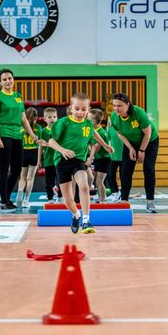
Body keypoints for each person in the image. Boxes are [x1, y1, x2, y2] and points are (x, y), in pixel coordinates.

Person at [47, 93, 113, 234]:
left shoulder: (88, 123)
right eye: (77, 109)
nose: (80, 112)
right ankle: (76, 215)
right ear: (71, 108)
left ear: (88, 109)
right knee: (68, 201)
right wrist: (63, 150)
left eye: (84, 109)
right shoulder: (63, 123)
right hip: (62, 161)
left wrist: (105, 145)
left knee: (84, 186)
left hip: (78, 160)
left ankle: (86, 220)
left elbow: (93, 133)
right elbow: (51, 141)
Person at [0, 69, 39, 212]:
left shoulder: (18, 96)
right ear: (0, 82)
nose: (8, 81)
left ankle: (6, 197)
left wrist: (32, 134)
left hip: (17, 135)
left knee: (17, 169)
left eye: (10, 78)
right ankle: (4, 201)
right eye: (4, 79)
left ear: (13, 79)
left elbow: (23, 118)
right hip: (3, 134)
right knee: (4, 169)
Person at [110, 93, 159, 213]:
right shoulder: (114, 116)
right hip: (131, 142)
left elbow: (148, 133)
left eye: (120, 106)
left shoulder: (138, 113)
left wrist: (141, 150)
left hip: (149, 141)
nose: (116, 108)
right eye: (114, 105)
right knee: (125, 171)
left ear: (128, 105)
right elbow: (120, 134)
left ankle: (150, 202)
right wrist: (130, 148)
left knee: (148, 170)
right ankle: (124, 200)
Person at [17, 107, 42, 208]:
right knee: (30, 179)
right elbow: (40, 144)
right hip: (34, 152)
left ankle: (20, 190)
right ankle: (26, 200)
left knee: (22, 177)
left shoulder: (21, 128)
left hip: (24, 152)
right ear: (36, 117)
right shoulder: (38, 128)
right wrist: (39, 160)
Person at [89, 109, 111, 203]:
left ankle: (102, 200)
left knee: (99, 181)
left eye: (88, 119)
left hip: (104, 159)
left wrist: (87, 146)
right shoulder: (96, 130)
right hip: (99, 158)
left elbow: (97, 149)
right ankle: (101, 198)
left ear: (93, 121)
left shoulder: (100, 132)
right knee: (97, 181)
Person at [38, 107, 59, 203]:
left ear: (57, 118)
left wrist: (47, 144)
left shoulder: (60, 130)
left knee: (61, 180)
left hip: (59, 159)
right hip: (48, 160)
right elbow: (40, 147)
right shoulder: (43, 132)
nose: (52, 119)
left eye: (54, 117)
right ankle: (50, 198)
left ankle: (61, 196)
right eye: (49, 117)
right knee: (49, 181)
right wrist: (39, 160)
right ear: (45, 119)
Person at [105, 121, 124, 203]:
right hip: (113, 157)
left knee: (123, 177)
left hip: (124, 158)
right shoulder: (110, 129)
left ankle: (123, 195)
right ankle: (115, 192)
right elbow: (107, 141)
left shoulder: (124, 128)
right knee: (110, 176)